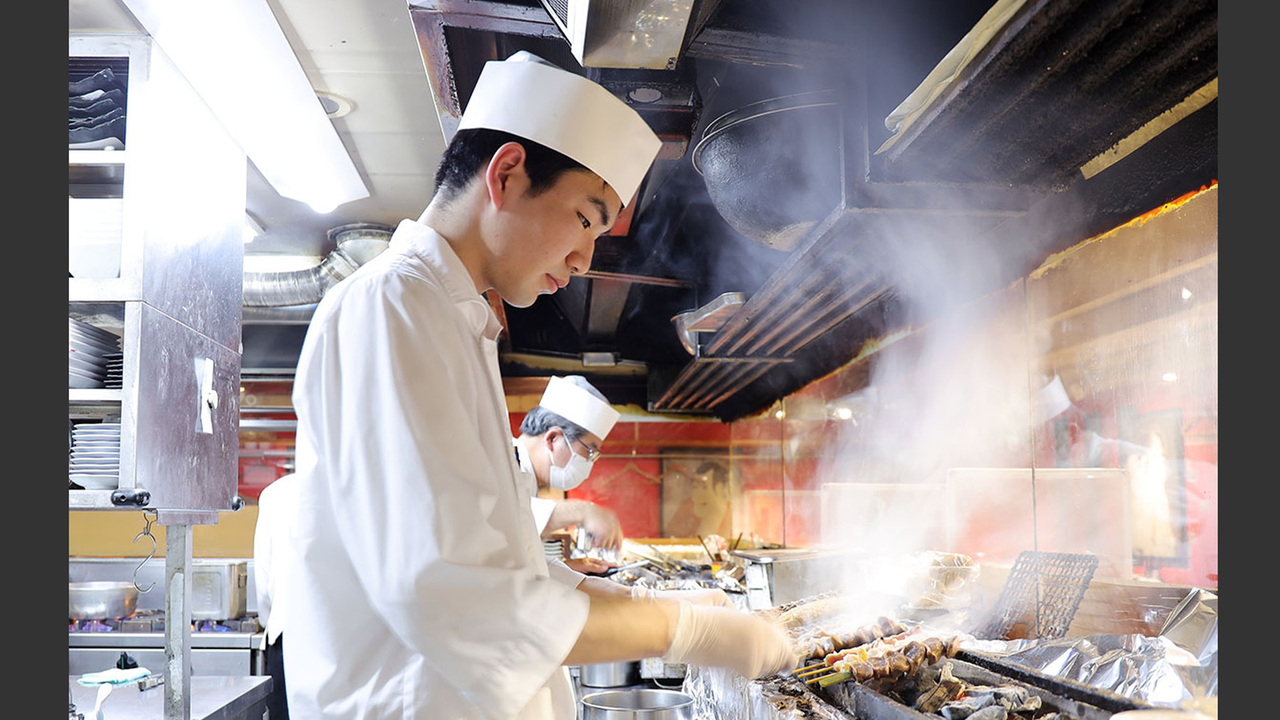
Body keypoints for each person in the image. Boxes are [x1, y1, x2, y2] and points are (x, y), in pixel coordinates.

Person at [280, 50, 798, 719]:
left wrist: (648, 605)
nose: (585, 260)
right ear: (507, 174)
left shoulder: (449, 318)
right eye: (586, 219)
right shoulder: (390, 308)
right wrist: (689, 631)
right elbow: (453, 592)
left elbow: (498, 562)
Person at [252, 472, 300, 720]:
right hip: (342, 639)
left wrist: (268, 619)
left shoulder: (275, 493)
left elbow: (263, 571)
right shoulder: (356, 485)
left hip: (285, 634)